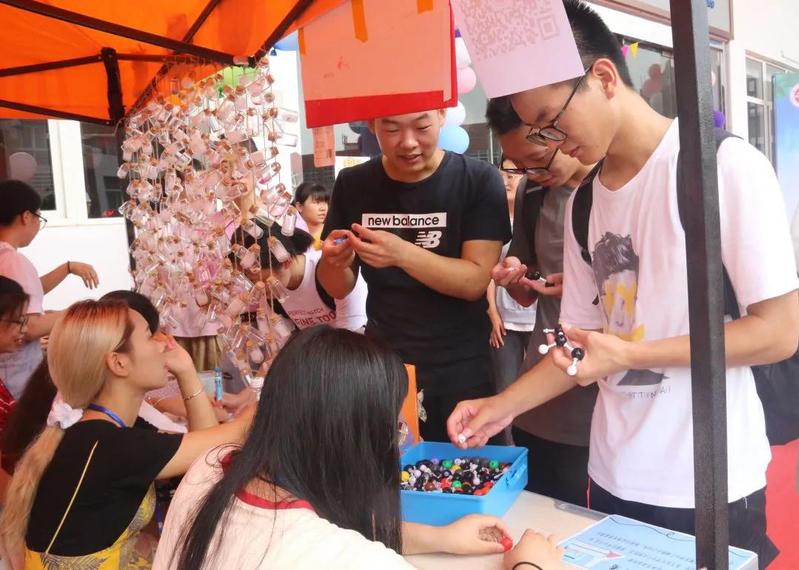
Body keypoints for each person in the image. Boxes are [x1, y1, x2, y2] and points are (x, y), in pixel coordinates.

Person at [448, 1, 799, 565]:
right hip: (612, 475)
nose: (551, 143)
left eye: (552, 121)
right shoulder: (584, 204)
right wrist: (501, 406)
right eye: (537, 131)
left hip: (708, 482)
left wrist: (631, 354)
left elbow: (779, 332)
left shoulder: (723, 168)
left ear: (605, 78)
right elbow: (578, 345)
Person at [153, 325, 564, 569]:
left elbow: (335, 528)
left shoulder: (209, 470)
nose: (399, 441)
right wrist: (531, 566)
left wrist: (440, 537)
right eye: (395, 428)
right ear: (353, 443)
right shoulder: (354, 560)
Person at [0, 299, 254, 568]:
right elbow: (227, 439)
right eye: (149, 336)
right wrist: (271, 390)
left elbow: (208, 454)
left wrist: (186, 371)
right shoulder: (110, 446)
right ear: (119, 363)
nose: (164, 344)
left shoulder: (104, 431)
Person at [318, 109, 512, 441]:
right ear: (372, 124)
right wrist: (334, 262)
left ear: (441, 115)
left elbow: (475, 281)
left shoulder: (477, 180)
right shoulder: (353, 184)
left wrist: (402, 253)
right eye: (392, 129)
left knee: (465, 462)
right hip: (386, 366)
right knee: (391, 462)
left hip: (461, 365)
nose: (408, 143)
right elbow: (339, 287)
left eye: (421, 127)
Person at [484, 96, 598, 505]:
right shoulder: (534, 192)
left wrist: (585, 288)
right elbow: (527, 291)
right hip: (545, 392)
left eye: (537, 159)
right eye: (518, 166)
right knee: (547, 510)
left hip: (611, 392)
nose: (531, 173)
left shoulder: (613, 184)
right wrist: (514, 276)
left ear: (558, 126)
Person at [0, 179, 99, 399]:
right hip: (16, 377)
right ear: (26, 217)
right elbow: (30, 326)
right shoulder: (13, 261)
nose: (38, 225)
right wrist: (86, 312)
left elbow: (28, 293)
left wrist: (67, 268)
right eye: (39, 218)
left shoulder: (7, 259)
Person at [236, 220, 368, 331]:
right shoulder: (273, 297)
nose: (258, 288)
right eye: (251, 281)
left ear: (286, 261)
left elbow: (352, 338)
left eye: (263, 280)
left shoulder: (333, 272)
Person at [293, 182, 331, 247]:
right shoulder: (291, 234)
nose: (323, 208)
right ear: (299, 207)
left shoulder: (333, 233)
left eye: (326, 202)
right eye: (317, 202)